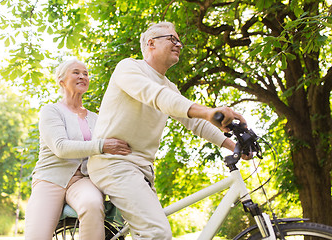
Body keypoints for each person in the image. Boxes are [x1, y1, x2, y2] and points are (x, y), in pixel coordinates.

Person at [87, 22, 249, 240]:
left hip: (141, 169)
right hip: (113, 164)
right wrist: (209, 111)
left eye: (179, 40)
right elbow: (156, 96)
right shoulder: (129, 67)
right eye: (172, 39)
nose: (179, 44)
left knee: (153, 230)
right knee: (157, 233)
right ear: (151, 43)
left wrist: (234, 145)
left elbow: (195, 122)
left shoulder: (170, 87)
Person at [25, 58, 131, 240]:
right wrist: (102, 146)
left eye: (86, 73)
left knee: (92, 204)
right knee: (37, 235)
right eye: (76, 72)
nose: (83, 76)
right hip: (50, 179)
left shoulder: (96, 118)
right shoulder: (51, 111)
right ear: (61, 80)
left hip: (82, 180)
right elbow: (61, 147)